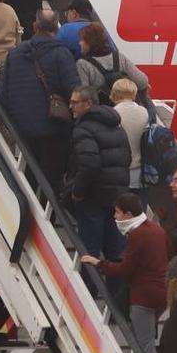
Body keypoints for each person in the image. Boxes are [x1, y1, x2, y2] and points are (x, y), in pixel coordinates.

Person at [81, 192, 170, 353]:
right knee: (149, 340)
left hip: (143, 297)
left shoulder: (137, 235)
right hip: (162, 293)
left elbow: (124, 269)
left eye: (118, 212)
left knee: (144, 345)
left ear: (129, 215)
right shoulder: (157, 230)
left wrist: (99, 263)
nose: (114, 216)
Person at [0, 10, 79, 194]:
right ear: (57, 28)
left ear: (34, 27)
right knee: (53, 178)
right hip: (55, 127)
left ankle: (29, 215)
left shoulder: (15, 55)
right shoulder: (61, 54)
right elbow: (74, 90)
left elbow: (3, 95)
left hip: (24, 128)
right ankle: (49, 217)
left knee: (29, 176)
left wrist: (17, 120)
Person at [68, 86, 131, 263]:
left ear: (88, 104)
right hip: (117, 196)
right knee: (116, 251)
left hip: (93, 197)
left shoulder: (83, 129)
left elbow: (89, 164)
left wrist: (77, 191)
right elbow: (127, 157)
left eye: (74, 102)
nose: (70, 106)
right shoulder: (116, 126)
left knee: (89, 252)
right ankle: (115, 289)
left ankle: (90, 290)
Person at [76, 23, 148, 104]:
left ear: (89, 42)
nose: (79, 43)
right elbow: (142, 81)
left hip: (104, 113)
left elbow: (84, 94)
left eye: (82, 40)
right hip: (125, 108)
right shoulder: (119, 57)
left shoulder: (83, 64)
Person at [110, 79, 149, 202]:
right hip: (141, 171)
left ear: (115, 94)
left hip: (120, 172)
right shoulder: (144, 112)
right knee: (138, 211)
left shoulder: (113, 113)